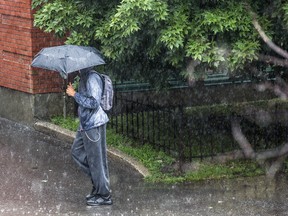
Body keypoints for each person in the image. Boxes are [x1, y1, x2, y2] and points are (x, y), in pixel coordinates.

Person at [66, 67, 112, 206]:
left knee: (96, 160)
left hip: (94, 124)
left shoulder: (92, 78)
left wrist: (75, 95)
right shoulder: (84, 77)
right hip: (86, 124)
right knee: (76, 152)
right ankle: (99, 184)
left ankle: (104, 195)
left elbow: (94, 102)